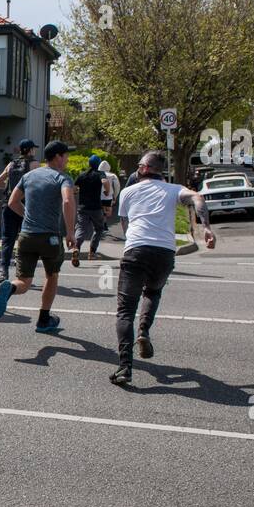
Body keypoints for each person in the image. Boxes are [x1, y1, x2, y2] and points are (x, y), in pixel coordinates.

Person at [108, 150, 215, 386]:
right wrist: (205, 227)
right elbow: (198, 198)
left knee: (125, 311)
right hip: (165, 254)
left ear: (145, 168)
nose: (137, 169)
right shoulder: (174, 189)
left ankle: (125, 367)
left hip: (136, 250)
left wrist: (133, 241)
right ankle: (144, 332)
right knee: (153, 292)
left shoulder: (128, 191)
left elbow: (125, 225)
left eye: (139, 165)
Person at [0, 140, 77, 333]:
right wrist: (70, 231)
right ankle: (43, 320)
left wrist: (29, 217)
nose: (68, 159)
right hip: (50, 237)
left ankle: (10, 288)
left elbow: (12, 202)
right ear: (58, 157)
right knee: (52, 276)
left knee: (24, 281)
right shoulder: (62, 177)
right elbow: (67, 200)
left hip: (27, 235)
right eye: (66, 156)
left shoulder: (29, 176)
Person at [0, 139, 35, 281]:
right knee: (25, 238)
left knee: (7, 239)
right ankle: (21, 270)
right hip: (25, 205)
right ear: (30, 150)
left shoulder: (11, 164)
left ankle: (4, 271)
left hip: (8, 205)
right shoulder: (34, 164)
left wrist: (9, 184)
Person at [73, 154, 111, 264]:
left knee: (80, 229)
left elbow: (74, 189)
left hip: (82, 208)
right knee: (99, 229)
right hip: (96, 208)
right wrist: (107, 191)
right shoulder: (100, 174)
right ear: (98, 164)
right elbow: (105, 182)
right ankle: (92, 252)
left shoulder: (82, 175)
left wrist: (77, 191)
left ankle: (76, 248)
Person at [100, 160, 121, 238]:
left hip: (98, 197)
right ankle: (104, 224)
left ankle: (100, 225)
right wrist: (115, 196)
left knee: (100, 211)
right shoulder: (112, 176)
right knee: (106, 211)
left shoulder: (96, 174)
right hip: (108, 197)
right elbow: (117, 186)